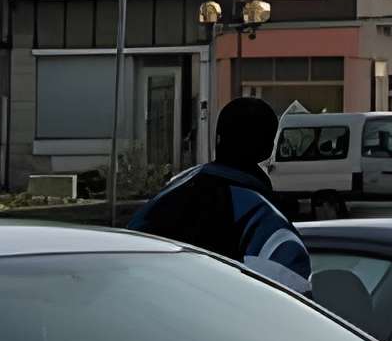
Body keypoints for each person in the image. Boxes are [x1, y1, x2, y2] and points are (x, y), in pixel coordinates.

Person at [129, 95, 311, 292]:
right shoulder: (260, 218)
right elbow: (292, 300)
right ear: (268, 148)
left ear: (218, 139)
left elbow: (124, 260)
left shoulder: (164, 199)